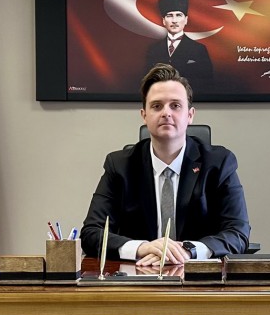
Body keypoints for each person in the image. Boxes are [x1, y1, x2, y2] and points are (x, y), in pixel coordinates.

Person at [81, 63, 249, 266]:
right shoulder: (119, 165)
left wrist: (189, 251)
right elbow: (91, 233)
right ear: (144, 115)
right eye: (156, 106)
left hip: (200, 278)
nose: (166, 113)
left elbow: (238, 233)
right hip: (139, 275)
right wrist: (142, 248)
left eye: (175, 105)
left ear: (190, 115)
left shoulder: (219, 163)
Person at [143, 0, 213, 95]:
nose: (174, 20)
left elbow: (207, 82)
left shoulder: (199, 49)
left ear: (186, 20)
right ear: (163, 20)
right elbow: (147, 83)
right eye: (169, 15)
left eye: (179, 15)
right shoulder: (153, 50)